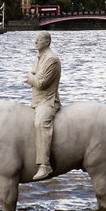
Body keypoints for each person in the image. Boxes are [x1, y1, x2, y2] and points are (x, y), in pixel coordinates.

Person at [25, 31, 62, 180]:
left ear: (47, 42)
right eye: (35, 39)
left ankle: (45, 165)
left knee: (41, 123)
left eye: (39, 39)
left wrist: (30, 77)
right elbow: (33, 76)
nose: (35, 42)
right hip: (36, 101)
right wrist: (32, 77)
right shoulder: (39, 57)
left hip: (48, 101)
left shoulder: (52, 59)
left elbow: (40, 83)